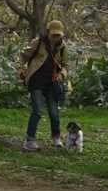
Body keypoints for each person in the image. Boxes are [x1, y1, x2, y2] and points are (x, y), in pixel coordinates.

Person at [17, 19, 69, 152]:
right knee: (37, 110)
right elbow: (23, 56)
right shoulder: (38, 42)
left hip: (52, 83)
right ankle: (29, 140)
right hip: (36, 81)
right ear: (47, 32)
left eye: (59, 35)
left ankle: (56, 137)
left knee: (54, 112)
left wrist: (61, 75)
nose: (56, 38)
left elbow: (65, 65)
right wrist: (20, 68)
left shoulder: (63, 47)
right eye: (54, 35)